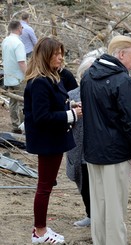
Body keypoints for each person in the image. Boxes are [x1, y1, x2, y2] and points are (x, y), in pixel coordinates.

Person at [80, 35, 131, 245]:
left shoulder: (87, 77)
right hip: (116, 154)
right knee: (116, 207)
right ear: (121, 54)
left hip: (92, 152)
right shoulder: (123, 81)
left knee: (99, 206)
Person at [24, 37, 82, 244]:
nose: (60, 57)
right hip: (47, 141)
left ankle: (41, 228)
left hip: (54, 140)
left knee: (46, 184)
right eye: (56, 54)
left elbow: (54, 106)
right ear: (45, 56)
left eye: (61, 53)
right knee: (44, 186)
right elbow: (41, 116)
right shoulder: (40, 82)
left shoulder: (52, 78)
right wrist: (71, 115)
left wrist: (70, 108)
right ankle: (39, 232)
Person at [66, 56, 96, 228]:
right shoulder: (71, 96)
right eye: (88, 72)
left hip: (98, 147)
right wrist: (72, 111)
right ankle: (90, 214)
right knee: (83, 182)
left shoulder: (103, 93)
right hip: (78, 147)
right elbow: (64, 119)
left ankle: (99, 215)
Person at [1, 20, 27, 134]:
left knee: (13, 101)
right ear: (18, 28)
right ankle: (23, 126)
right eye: (22, 27)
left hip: (8, 76)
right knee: (22, 102)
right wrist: (27, 75)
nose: (22, 29)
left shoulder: (5, 41)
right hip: (18, 76)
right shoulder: (18, 43)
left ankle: (15, 124)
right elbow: (21, 62)